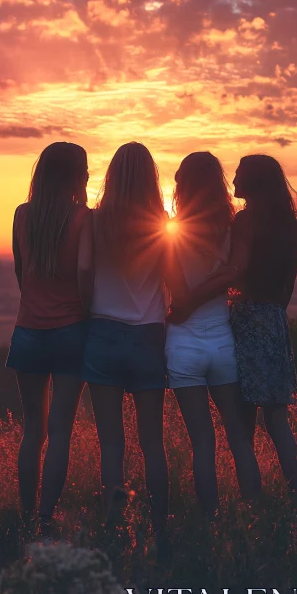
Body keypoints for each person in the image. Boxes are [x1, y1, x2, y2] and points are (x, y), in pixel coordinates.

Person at [170, 154, 297, 496]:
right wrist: (271, 313)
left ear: (255, 182)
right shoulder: (291, 224)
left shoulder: (246, 221)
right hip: (275, 320)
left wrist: (200, 300)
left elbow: (236, 268)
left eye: (240, 177)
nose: (233, 183)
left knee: (241, 425)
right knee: (276, 419)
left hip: (246, 322)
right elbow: (287, 286)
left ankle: (250, 502)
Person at [79, 142, 185, 559]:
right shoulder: (162, 224)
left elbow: (84, 271)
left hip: (102, 333)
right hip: (148, 337)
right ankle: (161, 530)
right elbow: (173, 280)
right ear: (150, 177)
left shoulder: (94, 221)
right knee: (152, 443)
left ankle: (114, 524)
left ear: (111, 175)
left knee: (111, 444)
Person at [165, 152, 261, 516]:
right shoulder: (231, 227)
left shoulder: (173, 230)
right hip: (222, 340)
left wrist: (185, 302)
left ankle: (209, 522)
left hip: (182, 342)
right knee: (238, 438)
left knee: (202, 442)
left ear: (182, 185)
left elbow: (176, 291)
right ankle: (255, 515)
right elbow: (237, 271)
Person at [7, 142, 90, 536]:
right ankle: (44, 517)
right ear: (77, 175)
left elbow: (22, 276)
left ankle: (25, 516)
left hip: (27, 332)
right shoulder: (82, 218)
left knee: (32, 431)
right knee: (60, 432)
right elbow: (85, 277)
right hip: (71, 331)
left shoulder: (22, 215)